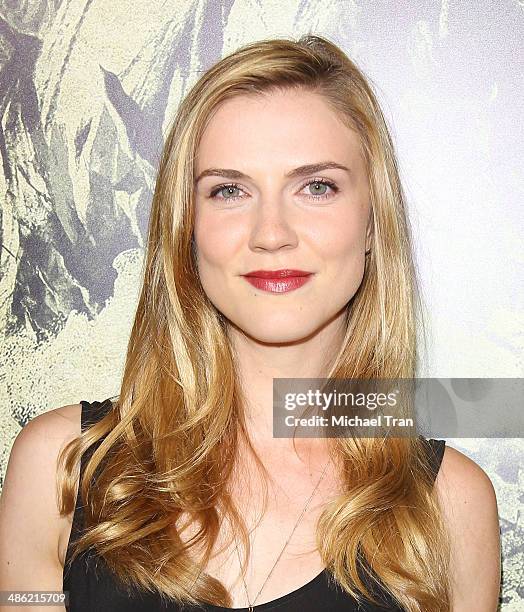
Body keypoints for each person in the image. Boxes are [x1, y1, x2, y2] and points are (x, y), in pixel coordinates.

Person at [0, 34, 501, 611]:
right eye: (230, 190)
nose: (271, 232)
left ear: (372, 224)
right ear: (185, 229)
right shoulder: (62, 468)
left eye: (316, 186)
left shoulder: (448, 506)